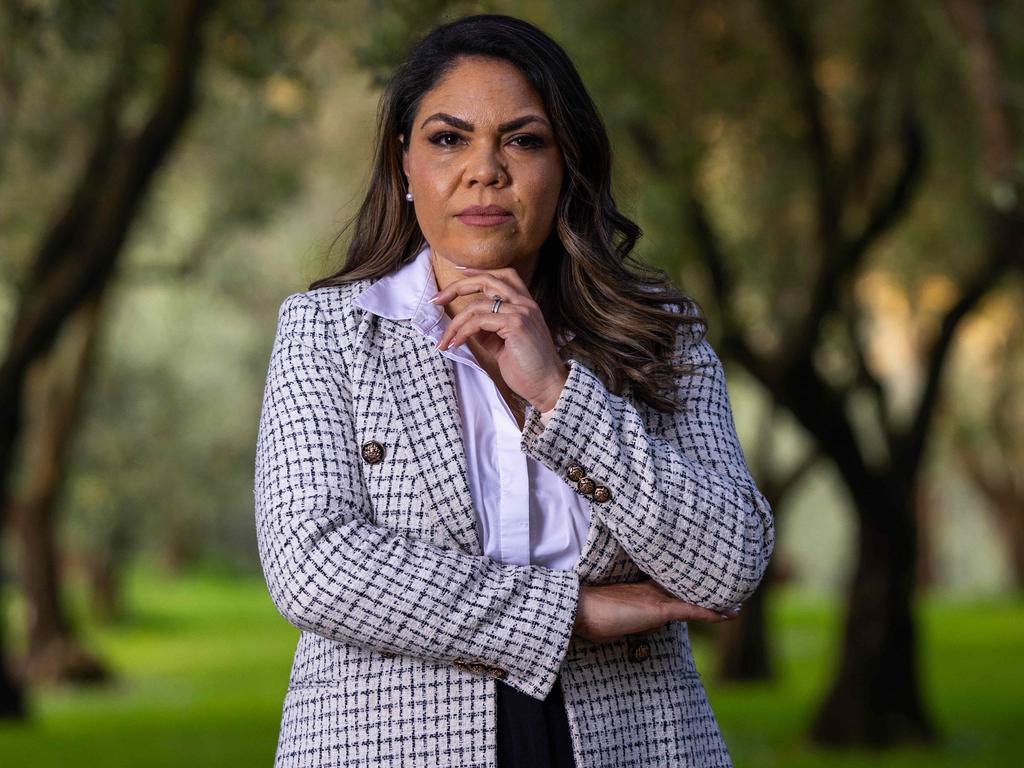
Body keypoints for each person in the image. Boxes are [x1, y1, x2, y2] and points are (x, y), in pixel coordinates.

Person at [254, 13, 774, 768]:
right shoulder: (326, 333)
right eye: (448, 138)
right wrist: (571, 615)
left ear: (566, 164)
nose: (484, 170)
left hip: (637, 740)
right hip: (387, 744)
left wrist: (560, 395)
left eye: (523, 140)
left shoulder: (659, 332)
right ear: (403, 163)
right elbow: (315, 566)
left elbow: (730, 564)